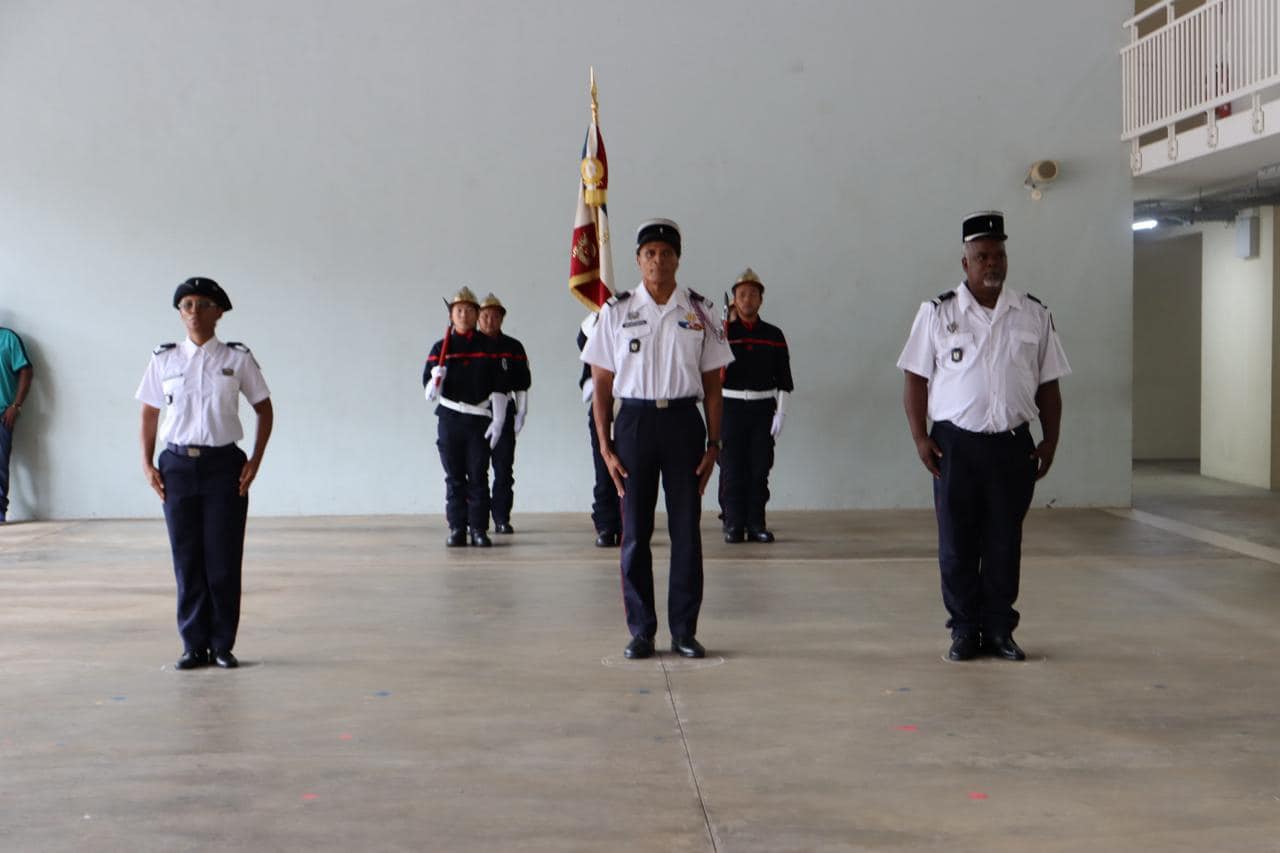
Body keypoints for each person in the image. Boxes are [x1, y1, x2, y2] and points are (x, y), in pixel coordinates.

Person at [896, 211, 1070, 662]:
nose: (992, 263)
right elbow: (915, 378)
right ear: (965, 263)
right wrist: (920, 438)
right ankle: (963, 631)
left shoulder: (1033, 314)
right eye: (982, 256)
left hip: (1012, 446)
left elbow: (1049, 384)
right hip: (955, 445)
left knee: (1003, 543)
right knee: (957, 544)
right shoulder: (937, 313)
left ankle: (998, 630)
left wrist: (1050, 440)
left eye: (999, 255)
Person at [581, 218, 734, 660]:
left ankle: (684, 631)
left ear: (678, 259)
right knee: (634, 532)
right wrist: (605, 445)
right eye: (650, 253)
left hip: (684, 424)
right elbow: (601, 383)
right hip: (634, 424)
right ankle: (641, 630)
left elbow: (713, 386)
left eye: (666, 254)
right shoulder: (616, 311)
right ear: (638, 259)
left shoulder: (700, 311)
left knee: (687, 531)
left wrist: (714, 444)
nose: (658, 261)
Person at [136, 278, 273, 670]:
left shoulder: (236, 359)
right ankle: (193, 645)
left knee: (223, 558)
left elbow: (264, 408)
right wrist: (147, 463)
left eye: (202, 305)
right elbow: (149, 412)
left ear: (219, 312)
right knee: (187, 558)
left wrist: (255, 460)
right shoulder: (164, 359)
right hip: (177, 467)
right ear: (180, 313)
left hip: (223, 466)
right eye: (187, 305)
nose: (194, 312)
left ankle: (222, 644)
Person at [424, 287, 509, 548]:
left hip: (478, 420)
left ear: (476, 315)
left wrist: (498, 421)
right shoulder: (440, 348)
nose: (464, 315)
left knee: (478, 476)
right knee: (454, 478)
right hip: (450, 419)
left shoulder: (488, 347)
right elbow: (429, 394)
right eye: (459, 310)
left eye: (469, 310)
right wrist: (436, 380)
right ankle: (457, 528)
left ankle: (479, 529)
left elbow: (500, 387)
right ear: (452, 315)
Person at [719, 268, 793, 543]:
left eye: (753, 294)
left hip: (762, 410)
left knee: (760, 468)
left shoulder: (773, 334)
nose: (747, 299)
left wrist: (781, 412)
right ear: (734, 300)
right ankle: (733, 523)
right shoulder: (724, 333)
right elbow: (712, 374)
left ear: (761, 300)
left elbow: (784, 378)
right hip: (731, 409)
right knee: (732, 469)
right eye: (742, 294)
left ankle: (756, 523)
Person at [477, 293, 530, 535]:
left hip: (505, 409)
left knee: (504, 467)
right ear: (478, 318)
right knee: (476, 467)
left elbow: (522, 382)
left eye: (495, 316)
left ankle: (501, 517)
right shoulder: (471, 345)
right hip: (477, 412)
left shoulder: (513, 347)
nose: (490, 321)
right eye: (485, 316)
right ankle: (476, 519)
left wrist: (522, 411)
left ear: (502, 318)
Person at [577, 323, 622, 547]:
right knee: (604, 470)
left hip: (633, 407)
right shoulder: (590, 330)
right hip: (603, 407)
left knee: (632, 471)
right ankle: (607, 524)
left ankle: (628, 522)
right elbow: (588, 380)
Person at [0, 326, 32, 523]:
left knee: (0, 465)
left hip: (2, 415)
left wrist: (16, 405)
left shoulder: (8, 339)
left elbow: (26, 371)